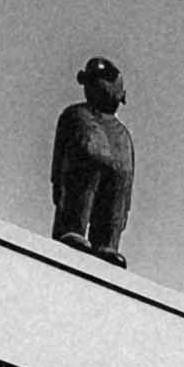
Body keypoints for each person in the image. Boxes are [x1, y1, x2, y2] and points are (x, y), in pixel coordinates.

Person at [50, 58, 135, 262]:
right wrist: (57, 184)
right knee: (80, 187)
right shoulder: (75, 116)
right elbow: (59, 157)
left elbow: (127, 183)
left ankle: (108, 242)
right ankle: (73, 228)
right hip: (79, 178)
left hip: (116, 182)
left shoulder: (123, 133)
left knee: (115, 195)